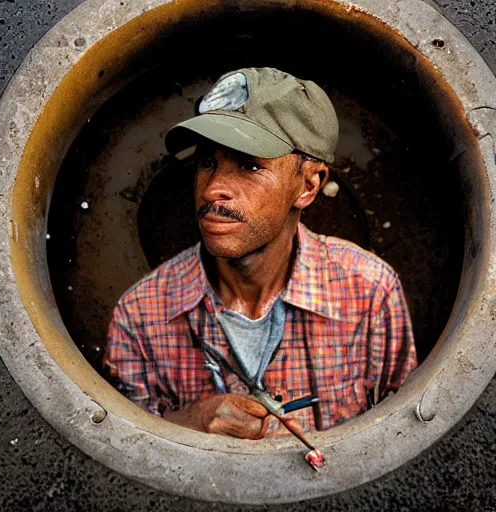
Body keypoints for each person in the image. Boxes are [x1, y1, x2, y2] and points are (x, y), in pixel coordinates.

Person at [104, 67, 417, 440]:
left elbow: (405, 438)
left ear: (308, 185)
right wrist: (190, 422)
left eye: (250, 165)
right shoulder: (140, 314)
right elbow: (123, 456)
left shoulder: (369, 292)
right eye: (207, 163)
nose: (213, 189)